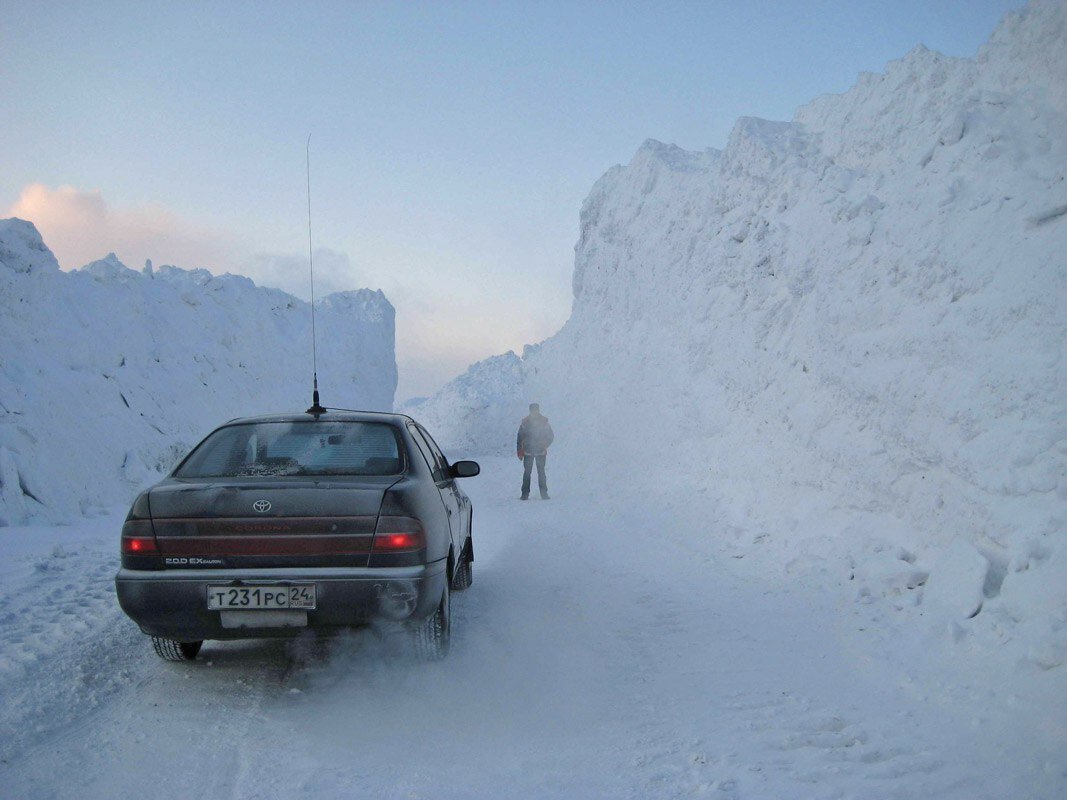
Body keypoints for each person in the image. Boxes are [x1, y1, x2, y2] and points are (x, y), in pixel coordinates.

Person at [516, 403, 554, 500]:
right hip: (528, 451)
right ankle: (525, 494)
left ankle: (544, 493)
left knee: (541, 472)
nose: (534, 412)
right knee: (527, 472)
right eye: (533, 410)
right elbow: (519, 437)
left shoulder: (544, 422)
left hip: (540, 452)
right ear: (530, 411)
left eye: (536, 410)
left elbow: (551, 436)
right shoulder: (524, 423)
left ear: (538, 410)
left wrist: (544, 444)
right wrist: (519, 451)